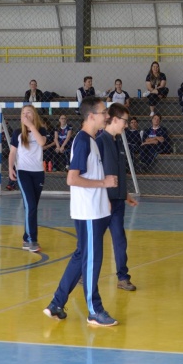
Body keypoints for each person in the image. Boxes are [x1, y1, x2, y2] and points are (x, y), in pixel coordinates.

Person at [43, 96, 119, 327]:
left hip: (94, 210)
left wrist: (104, 196)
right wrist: (104, 184)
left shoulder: (91, 141)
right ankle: (94, 311)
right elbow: (72, 178)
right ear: (91, 116)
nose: (107, 116)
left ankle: (56, 304)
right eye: (104, 112)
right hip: (88, 213)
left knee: (81, 256)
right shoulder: (83, 141)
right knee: (92, 260)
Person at [97, 103, 139, 292]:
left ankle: (123, 277)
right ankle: (82, 272)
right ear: (115, 119)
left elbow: (118, 172)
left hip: (118, 201)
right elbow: (96, 173)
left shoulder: (118, 142)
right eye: (125, 121)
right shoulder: (99, 142)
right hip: (101, 202)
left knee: (120, 239)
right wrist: (103, 197)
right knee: (93, 240)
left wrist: (125, 193)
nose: (126, 125)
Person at [8, 105, 47, 253]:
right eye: (23, 113)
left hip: (38, 173)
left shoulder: (41, 130)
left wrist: (31, 126)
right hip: (23, 172)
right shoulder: (17, 133)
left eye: (29, 112)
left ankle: (26, 237)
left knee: (32, 206)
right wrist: (10, 168)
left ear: (34, 115)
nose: (26, 115)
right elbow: (13, 153)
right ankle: (31, 240)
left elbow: (42, 142)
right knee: (30, 205)